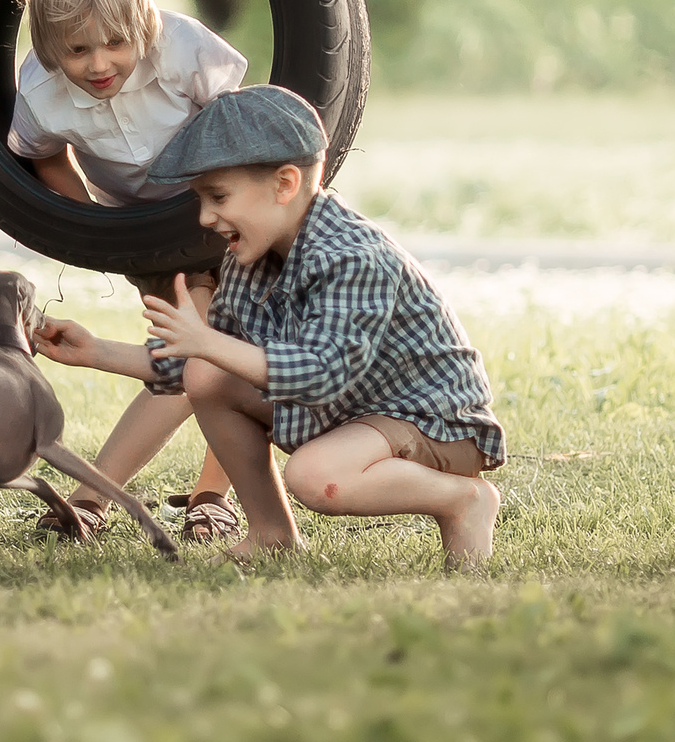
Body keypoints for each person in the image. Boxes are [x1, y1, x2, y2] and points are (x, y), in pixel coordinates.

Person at [32, 85, 506, 566]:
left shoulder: (353, 258)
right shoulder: (250, 258)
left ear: (284, 184)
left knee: (314, 475)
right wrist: (95, 351)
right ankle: (270, 533)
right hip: (357, 414)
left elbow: (321, 372)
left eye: (218, 196)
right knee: (205, 374)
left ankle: (465, 500)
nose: (205, 216)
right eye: (199, 198)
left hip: (432, 421)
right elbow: (200, 366)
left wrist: (208, 342)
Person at [5, 0, 246, 541]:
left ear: (144, 24)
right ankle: (124, 498)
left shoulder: (183, 47)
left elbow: (235, 122)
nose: (99, 64)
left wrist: (234, 205)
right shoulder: (40, 91)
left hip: (224, 214)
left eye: (116, 42)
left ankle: (177, 496)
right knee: (193, 361)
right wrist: (93, 226)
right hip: (146, 232)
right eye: (78, 49)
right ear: (48, 45)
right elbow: (46, 157)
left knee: (211, 348)